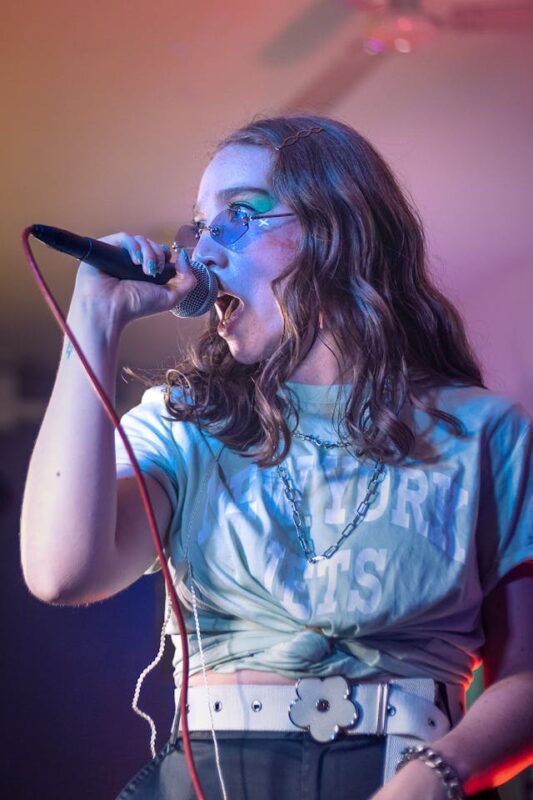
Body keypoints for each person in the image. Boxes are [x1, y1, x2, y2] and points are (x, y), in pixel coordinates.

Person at [21, 115, 533, 800]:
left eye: (237, 216)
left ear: (336, 230)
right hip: (214, 779)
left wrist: (435, 775)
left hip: (406, 775)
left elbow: (526, 672)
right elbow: (62, 572)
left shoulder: (484, 431)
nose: (201, 254)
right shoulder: (186, 425)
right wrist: (93, 321)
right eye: (197, 228)